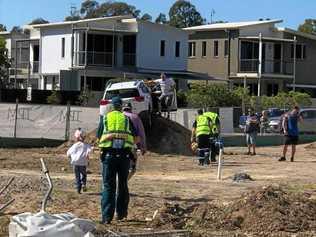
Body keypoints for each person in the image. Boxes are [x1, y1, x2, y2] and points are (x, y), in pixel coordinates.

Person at [97, 96, 138, 224]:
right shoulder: (126, 119)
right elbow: (135, 137)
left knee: (108, 186)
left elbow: (99, 136)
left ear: (111, 106)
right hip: (124, 157)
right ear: (121, 107)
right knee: (123, 185)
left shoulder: (105, 118)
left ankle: (106, 217)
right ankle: (121, 214)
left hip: (109, 156)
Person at [122, 102, 147, 180]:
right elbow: (141, 133)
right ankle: (123, 184)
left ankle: (119, 183)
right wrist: (143, 146)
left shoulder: (118, 117)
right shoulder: (135, 117)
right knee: (132, 169)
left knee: (119, 168)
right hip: (131, 146)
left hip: (117, 146)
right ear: (131, 108)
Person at [66, 128, 92, 194]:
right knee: (83, 174)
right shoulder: (86, 145)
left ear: (76, 138)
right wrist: (87, 158)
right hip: (83, 163)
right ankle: (83, 184)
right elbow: (90, 151)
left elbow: (68, 153)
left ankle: (78, 188)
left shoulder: (74, 145)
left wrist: (70, 157)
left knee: (77, 176)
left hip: (75, 163)